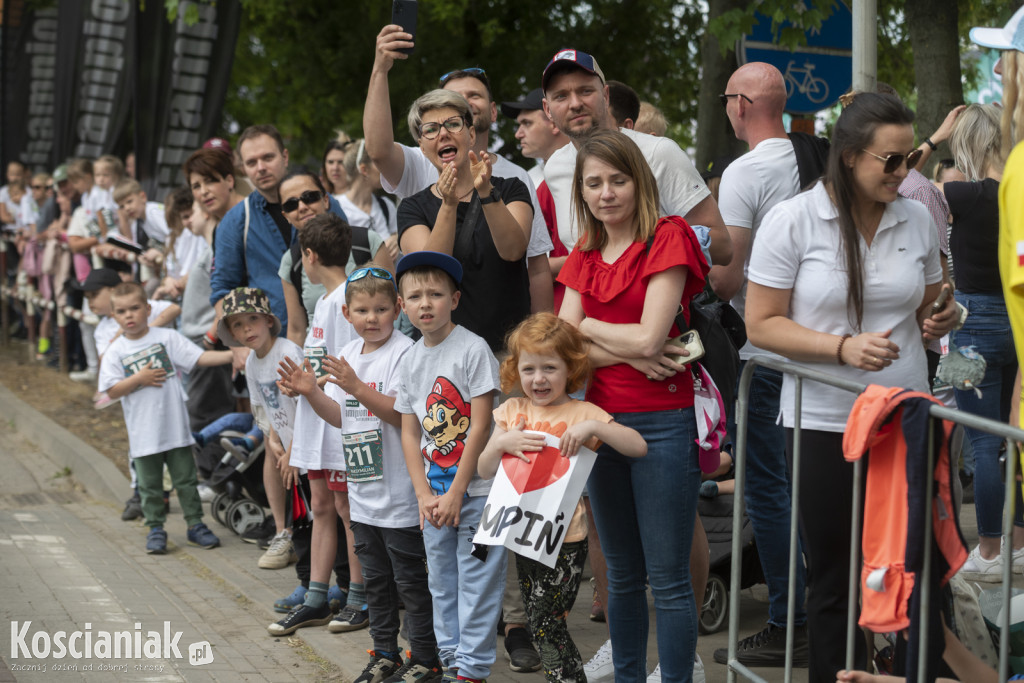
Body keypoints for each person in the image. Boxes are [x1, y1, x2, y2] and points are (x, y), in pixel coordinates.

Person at [743, 92, 958, 682]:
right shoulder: (795, 219)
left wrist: (943, 316)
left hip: (907, 413)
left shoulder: (915, 214)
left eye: (909, 157)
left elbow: (934, 297)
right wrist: (840, 348)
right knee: (837, 575)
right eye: (890, 161)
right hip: (824, 420)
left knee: (915, 567)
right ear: (847, 157)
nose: (903, 172)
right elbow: (761, 324)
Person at [557, 129, 711, 683]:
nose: (606, 193)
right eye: (593, 183)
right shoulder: (585, 251)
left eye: (617, 180)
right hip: (599, 423)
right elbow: (562, 349)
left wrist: (588, 330)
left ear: (638, 181)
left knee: (668, 578)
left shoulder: (667, 236)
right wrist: (608, 345)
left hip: (664, 425)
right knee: (620, 576)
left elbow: (650, 339)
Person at [279, 266, 441, 683]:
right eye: (363, 310)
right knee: (375, 584)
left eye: (382, 309)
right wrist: (311, 391)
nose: (372, 318)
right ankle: (384, 653)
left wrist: (355, 386)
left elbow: (405, 416)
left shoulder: (407, 352)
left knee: (411, 585)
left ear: (398, 309)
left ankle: (424, 657)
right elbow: (340, 418)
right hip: (363, 496)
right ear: (347, 314)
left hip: (402, 497)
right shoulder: (348, 354)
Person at [478, 312, 647, 683]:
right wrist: (503, 442)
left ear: (570, 368)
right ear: (515, 369)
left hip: (566, 542)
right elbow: (484, 467)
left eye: (550, 368)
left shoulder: (582, 412)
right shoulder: (511, 411)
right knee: (542, 622)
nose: (538, 379)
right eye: (529, 368)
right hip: (523, 538)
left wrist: (593, 427)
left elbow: (637, 446)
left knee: (543, 622)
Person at [707, 61, 809, 668]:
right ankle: (829, 611)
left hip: (771, 351)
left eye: (726, 100)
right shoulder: (820, 158)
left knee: (769, 490)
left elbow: (730, 274)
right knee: (818, 486)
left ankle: (787, 620)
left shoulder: (746, 171)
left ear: (741, 105)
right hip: (832, 351)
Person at [365, 25, 556, 319]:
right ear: (421, 141)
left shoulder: (515, 179)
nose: (463, 102)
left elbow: (534, 261)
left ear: (485, 116)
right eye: (432, 127)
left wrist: (543, 334)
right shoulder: (417, 172)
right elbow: (378, 150)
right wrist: (380, 70)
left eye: (470, 97)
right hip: (443, 341)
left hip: (506, 343)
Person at [394, 251, 507, 683]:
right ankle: (452, 661)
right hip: (433, 499)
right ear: (402, 304)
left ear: (455, 299)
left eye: (436, 294)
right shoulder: (410, 359)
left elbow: (481, 425)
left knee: (476, 580)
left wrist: (459, 489)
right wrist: (424, 494)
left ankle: (472, 670)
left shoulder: (473, 349)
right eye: (415, 295)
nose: (426, 303)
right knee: (441, 582)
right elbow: (409, 433)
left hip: (476, 494)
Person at [539, 48, 731, 268]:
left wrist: (653, 245)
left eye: (585, 91)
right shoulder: (555, 168)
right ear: (547, 109)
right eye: (561, 96)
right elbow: (583, 258)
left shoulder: (658, 152)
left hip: (661, 299)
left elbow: (723, 247)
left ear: (605, 95)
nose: (574, 103)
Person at [268, 213, 368, 637]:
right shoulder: (329, 300)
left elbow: (351, 364)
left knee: (349, 511)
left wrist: (313, 383)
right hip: (318, 419)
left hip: (338, 422)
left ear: (308, 257)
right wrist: (301, 385)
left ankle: (360, 599)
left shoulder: (345, 299)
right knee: (324, 508)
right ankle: (316, 598)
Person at [943, 103, 1021, 580]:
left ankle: (989, 550)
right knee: (1014, 439)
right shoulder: (1017, 193)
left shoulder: (960, 194)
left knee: (980, 441)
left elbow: (902, 182)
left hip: (967, 329)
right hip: (1016, 321)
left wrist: (932, 139)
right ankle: (1019, 543)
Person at [97, 281, 232, 554]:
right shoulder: (116, 350)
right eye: (122, 311)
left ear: (148, 309)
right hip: (143, 434)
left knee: (186, 480)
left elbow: (199, 359)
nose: (129, 315)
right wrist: (138, 378)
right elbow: (110, 390)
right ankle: (155, 528)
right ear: (114, 316)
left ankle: (195, 525)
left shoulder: (166, 338)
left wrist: (235, 354)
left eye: (135, 308)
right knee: (150, 485)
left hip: (175, 429)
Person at [395, 89, 534, 353]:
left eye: (453, 124)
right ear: (422, 147)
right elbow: (430, 274)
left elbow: (514, 250)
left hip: (511, 355)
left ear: (471, 135)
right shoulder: (412, 208)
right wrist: (448, 204)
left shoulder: (511, 189)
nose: (443, 134)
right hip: (446, 356)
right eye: (431, 130)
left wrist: (485, 193)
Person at [210, 124, 347, 341]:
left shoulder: (321, 203)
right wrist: (238, 345)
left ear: (284, 156)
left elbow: (352, 262)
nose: (261, 167)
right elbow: (222, 290)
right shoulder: (235, 221)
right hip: (272, 344)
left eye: (267, 157)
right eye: (251, 162)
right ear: (243, 168)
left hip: (338, 332)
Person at [216, 287, 302, 570]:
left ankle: (303, 540)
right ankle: (282, 532)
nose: (246, 329)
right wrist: (274, 439)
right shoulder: (252, 363)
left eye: (252, 319)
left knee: (316, 502)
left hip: (305, 438)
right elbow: (264, 407)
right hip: (284, 435)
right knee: (269, 454)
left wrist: (292, 448)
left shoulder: (288, 353)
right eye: (237, 325)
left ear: (268, 320)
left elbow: (307, 407)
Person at [276, 168, 392, 346]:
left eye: (309, 197)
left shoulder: (366, 241)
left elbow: (395, 304)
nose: (302, 207)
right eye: (291, 205)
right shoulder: (291, 261)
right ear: (286, 216)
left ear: (325, 199)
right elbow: (297, 329)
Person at [500, 88, 572, 312]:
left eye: (527, 123)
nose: (518, 134)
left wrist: (528, 269)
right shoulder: (527, 178)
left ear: (553, 121)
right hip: (544, 306)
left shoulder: (591, 172)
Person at [338, 139, 400, 263]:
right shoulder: (337, 208)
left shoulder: (386, 205)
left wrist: (397, 239)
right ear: (364, 169)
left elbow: (400, 241)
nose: (387, 168)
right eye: (379, 162)